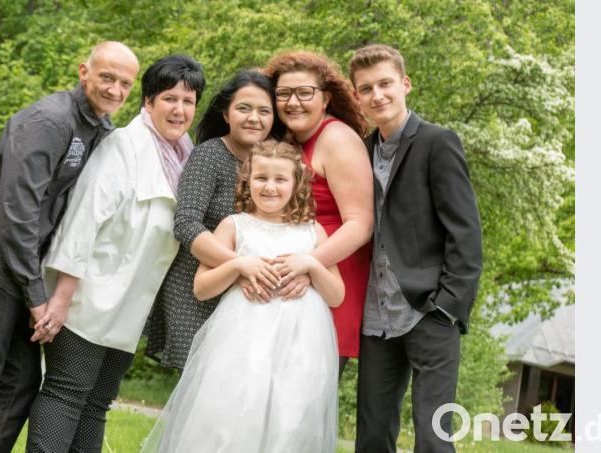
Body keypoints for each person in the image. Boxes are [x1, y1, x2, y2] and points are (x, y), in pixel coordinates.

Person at [0, 41, 139, 453]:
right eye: (107, 77)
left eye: (125, 83)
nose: (115, 90)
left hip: (31, 268)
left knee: (20, 383)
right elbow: (18, 213)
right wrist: (36, 297)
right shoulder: (49, 120)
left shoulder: (101, 129)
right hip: (0, 262)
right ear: (84, 72)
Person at [23, 54, 205, 453]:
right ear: (148, 102)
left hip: (128, 304)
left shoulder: (183, 156)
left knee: (96, 404)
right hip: (87, 297)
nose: (179, 110)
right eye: (169, 99)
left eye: (188, 101)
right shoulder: (124, 146)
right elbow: (83, 221)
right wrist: (63, 297)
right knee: (66, 394)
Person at [141, 139, 344, 453]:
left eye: (280, 179)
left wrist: (312, 265)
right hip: (242, 340)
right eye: (261, 178)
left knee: (288, 420)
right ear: (248, 180)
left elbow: (336, 295)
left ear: (297, 184)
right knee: (230, 415)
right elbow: (202, 286)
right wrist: (237, 265)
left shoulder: (313, 232)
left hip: (300, 344)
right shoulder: (234, 226)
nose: (270, 187)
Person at [349, 44, 483, 453]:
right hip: (376, 317)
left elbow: (466, 233)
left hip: (429, 311)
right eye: (366, 88)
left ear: (405, 84)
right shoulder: (359, 151)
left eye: (386, 84)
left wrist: (449, 306)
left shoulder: (437, 142)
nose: (378, 95)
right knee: (371, 437)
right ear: (357, 97)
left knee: (433, 438)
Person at [145, 69, 311, 370]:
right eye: (243, 108)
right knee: (204, 393)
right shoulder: (209, 155)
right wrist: (240, 266)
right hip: (198, 290)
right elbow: (187, 224)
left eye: (264, 111)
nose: (254, 118)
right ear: (226, 113)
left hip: (252, 293)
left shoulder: (277, 163)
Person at [264, 51, 374, 376]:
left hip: (331, 277)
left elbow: (360, 223)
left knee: (304, 394)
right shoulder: (290, 140)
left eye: (304, 93)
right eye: (283, 94)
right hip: (295, 277)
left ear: (325, 99)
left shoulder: (337, 139)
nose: (293, 102)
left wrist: (309, 264)